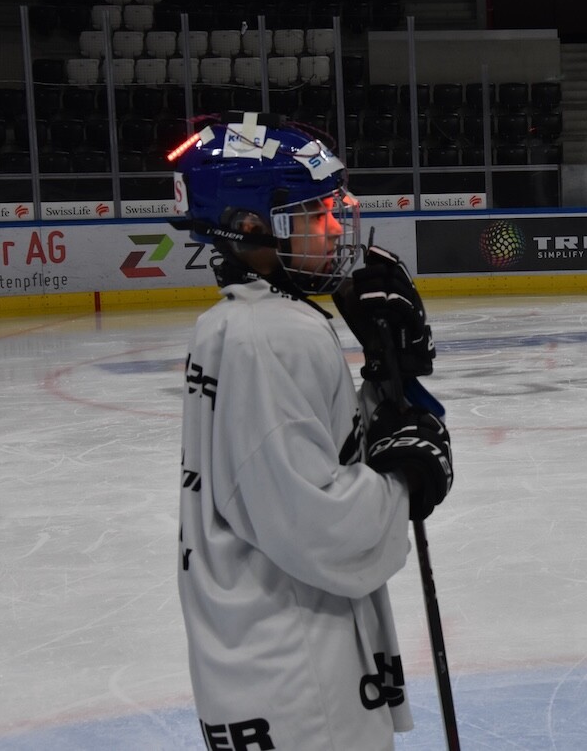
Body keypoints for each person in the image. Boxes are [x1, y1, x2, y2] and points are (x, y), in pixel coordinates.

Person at [170, 111, 452, 751]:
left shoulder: (239, 324)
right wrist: (408, 477)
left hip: (263, 656)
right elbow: (319, 524)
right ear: (250, 227)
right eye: (313, 214)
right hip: (297, 669)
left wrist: (390, 379)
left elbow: (306, 457)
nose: (333, 227)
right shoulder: (275, 335)